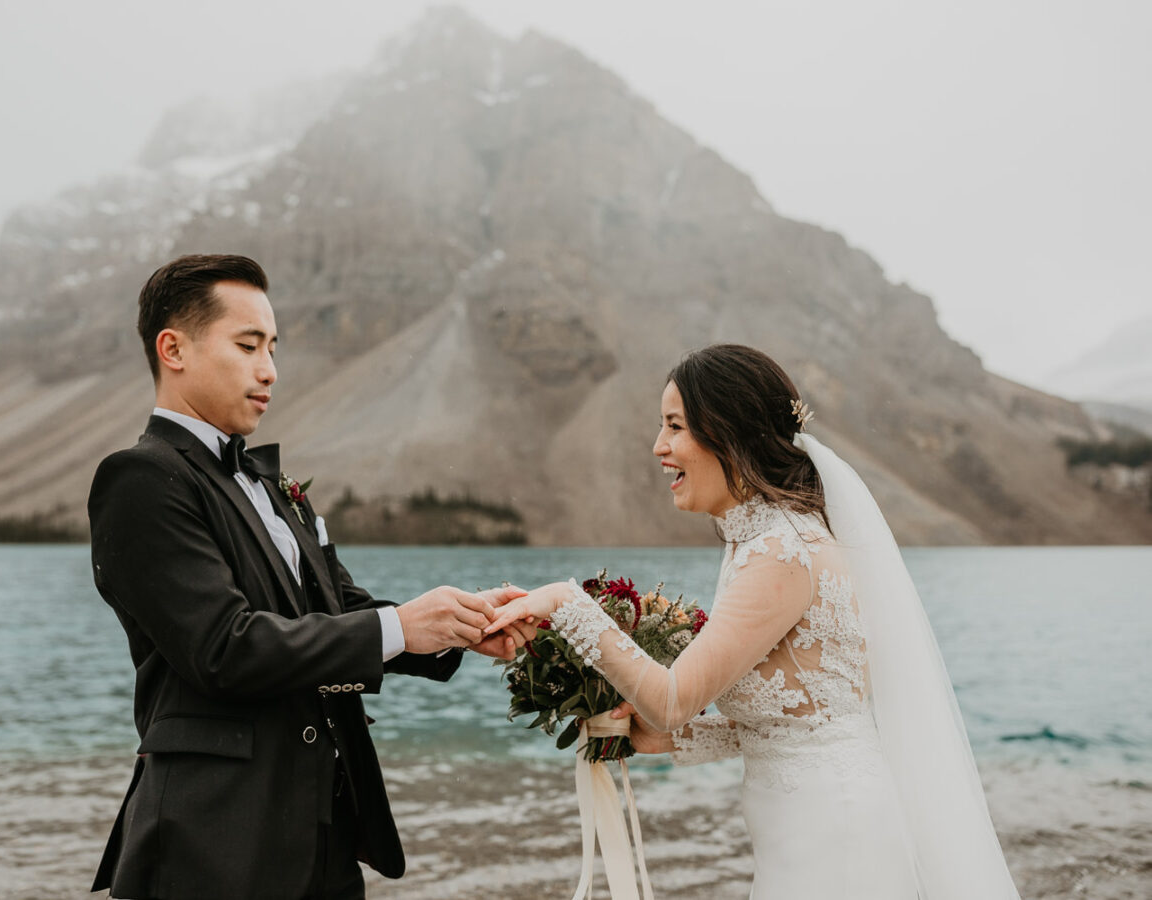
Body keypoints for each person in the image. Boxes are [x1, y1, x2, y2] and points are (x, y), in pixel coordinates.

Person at [486, 344, 1021, 898]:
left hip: (831, 833)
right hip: (804, 824)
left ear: (729, 434)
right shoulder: (768, 540)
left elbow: (672, 698)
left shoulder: (780, 552)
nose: (658, 446)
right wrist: (668, 741)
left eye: (675, 426)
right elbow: (794, 722)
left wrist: (564, 603)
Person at [88, 254, 532, 900]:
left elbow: (341, 610)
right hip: (211, 843)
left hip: (321, 839)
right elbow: (224, 647)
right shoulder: (140, 481)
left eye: (273, 347)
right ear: (173, 348)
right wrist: (400, 626)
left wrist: (459, 626)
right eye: (248, 346)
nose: (270, 371)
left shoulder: (272, 486)